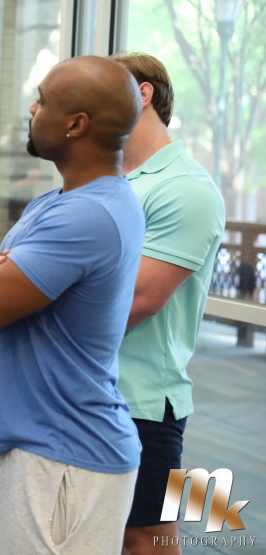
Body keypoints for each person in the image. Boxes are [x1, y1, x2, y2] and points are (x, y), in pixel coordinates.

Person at [0, 56, 145, 554]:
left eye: (41, 101)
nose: (32, 110)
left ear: (76, 124)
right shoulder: (57, 203)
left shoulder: (87, 215)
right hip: (51, 450)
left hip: (64, 456)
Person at [108, 52, 225, 555]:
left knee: (146, 540)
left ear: (143, 93)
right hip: (90, 392)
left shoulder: (185, 188)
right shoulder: (110, 180)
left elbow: (137, 299)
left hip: (144, 406)